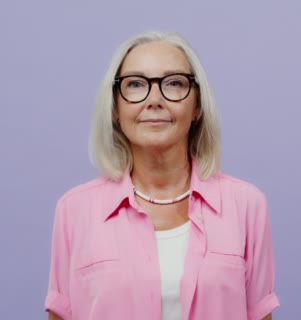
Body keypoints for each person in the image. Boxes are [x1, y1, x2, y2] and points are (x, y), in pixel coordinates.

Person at [44, 31, 280, 320]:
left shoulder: (246, 205)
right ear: (115, 108)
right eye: (134, 84)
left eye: (174, 83)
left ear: (197, 106)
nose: (154, 99)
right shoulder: (74, 210)